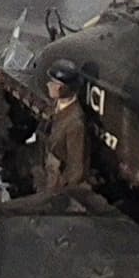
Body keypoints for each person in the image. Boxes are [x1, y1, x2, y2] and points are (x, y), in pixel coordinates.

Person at [30, 62, 97, 196]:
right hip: (48, 172)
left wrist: (58, 191)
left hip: (57, 185)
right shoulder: (58, 105)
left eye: (54, 83)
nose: (49, 85)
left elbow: (76, 169)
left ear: (64, 88)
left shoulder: (75, 123)